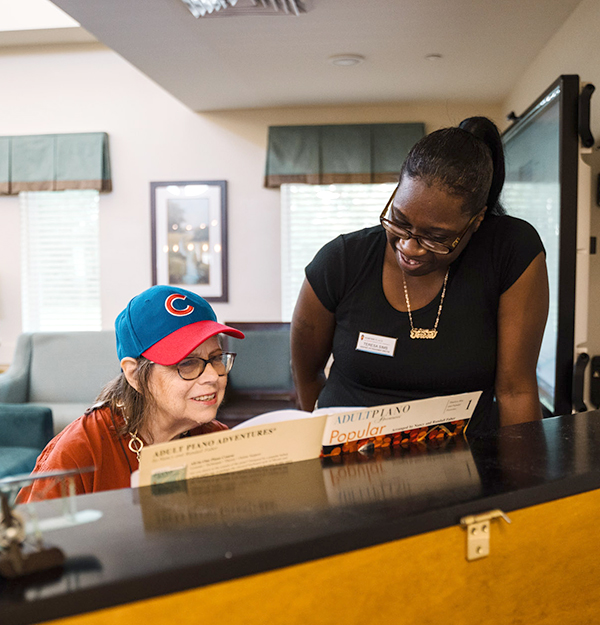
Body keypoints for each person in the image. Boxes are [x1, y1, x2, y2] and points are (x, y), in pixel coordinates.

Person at [291, 117, 549, 437]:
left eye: (436, 237)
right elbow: (306, 376)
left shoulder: (509, 250)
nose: (410, 247)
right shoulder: (342, 260)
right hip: (348, 464)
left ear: (477, 220)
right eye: (399, 221)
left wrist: (527, 481)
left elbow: (515, 391)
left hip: (462, 470)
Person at [17, 285, 244, 502]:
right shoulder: (79, 451)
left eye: (215, 358)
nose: (213, 376)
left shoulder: (217, 439)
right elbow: (28, 539)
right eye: (187, 363)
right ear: (134, 374)